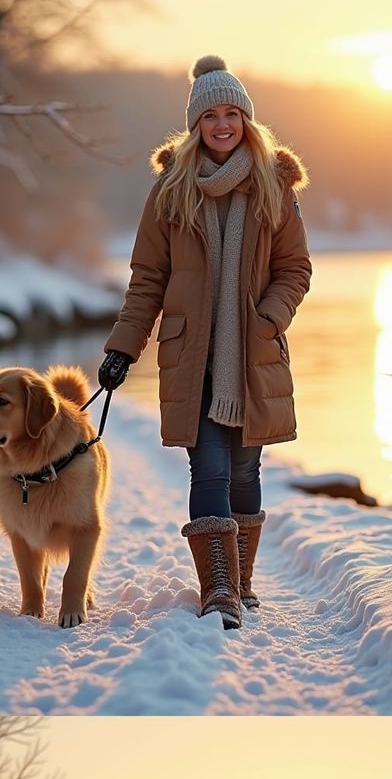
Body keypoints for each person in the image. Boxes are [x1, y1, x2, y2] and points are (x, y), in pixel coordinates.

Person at [100, 55, 312, 630]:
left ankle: (242, 583)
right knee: (210, 470)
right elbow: (147, 280)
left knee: (245, 471)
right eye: (210, 115)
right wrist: (122, 349)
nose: (222, 125)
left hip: (254, 353)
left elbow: (295, 270)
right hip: (193, 356)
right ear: (195, 125)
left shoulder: (277, 186)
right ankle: (218, 590)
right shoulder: (170, 192)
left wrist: (268, 320)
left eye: (232, 113)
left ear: (246, 119)